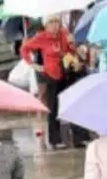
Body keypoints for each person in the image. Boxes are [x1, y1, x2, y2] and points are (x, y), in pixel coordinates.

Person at [20, 13, 73, 148]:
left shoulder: (63, 34)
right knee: (53, 105)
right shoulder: (42, 37)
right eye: (52, 22)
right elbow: (24, 49)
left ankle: (75, 135)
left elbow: (70, 51)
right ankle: (55, 139)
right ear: (46, 25)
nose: (55, 25)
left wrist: (71, 43)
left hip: (66, 70)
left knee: (68, 102)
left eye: (57, 22)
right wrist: (33, 64)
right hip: (51, 73)